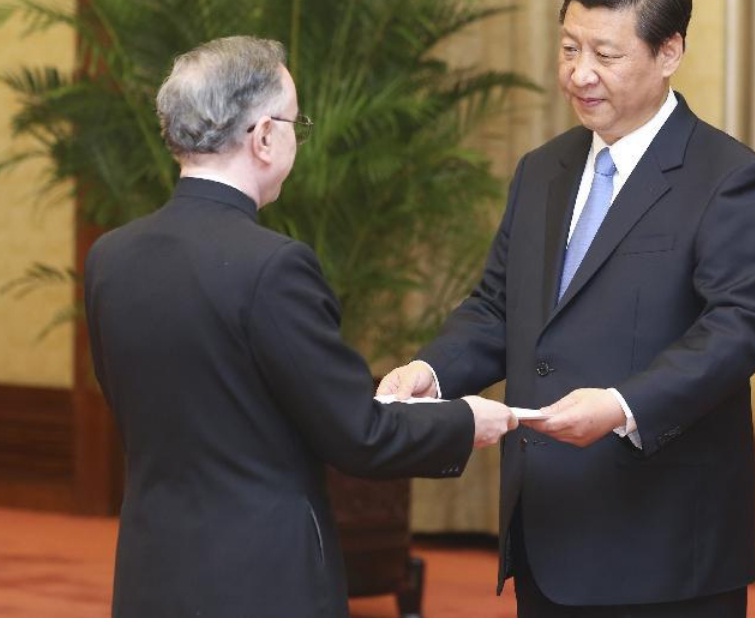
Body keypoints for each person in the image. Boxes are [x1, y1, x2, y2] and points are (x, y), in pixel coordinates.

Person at [378, 0, 755, 617]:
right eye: (568, 47)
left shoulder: (728, 178)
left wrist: (623, 405)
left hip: (657, 536)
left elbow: (736, 330)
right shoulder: (543, 169)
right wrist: (433, 371)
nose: (578, 74)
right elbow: (497, 306)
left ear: (669, 52)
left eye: (604, 53)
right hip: (544, 520)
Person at [83, 35, 518, 617]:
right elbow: (357, 435)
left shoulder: (111, 256)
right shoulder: (274, 266)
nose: (298, 136)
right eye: (296, 122)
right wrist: (466, 421)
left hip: (151, 565)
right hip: (263, 574)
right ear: (263, 137)